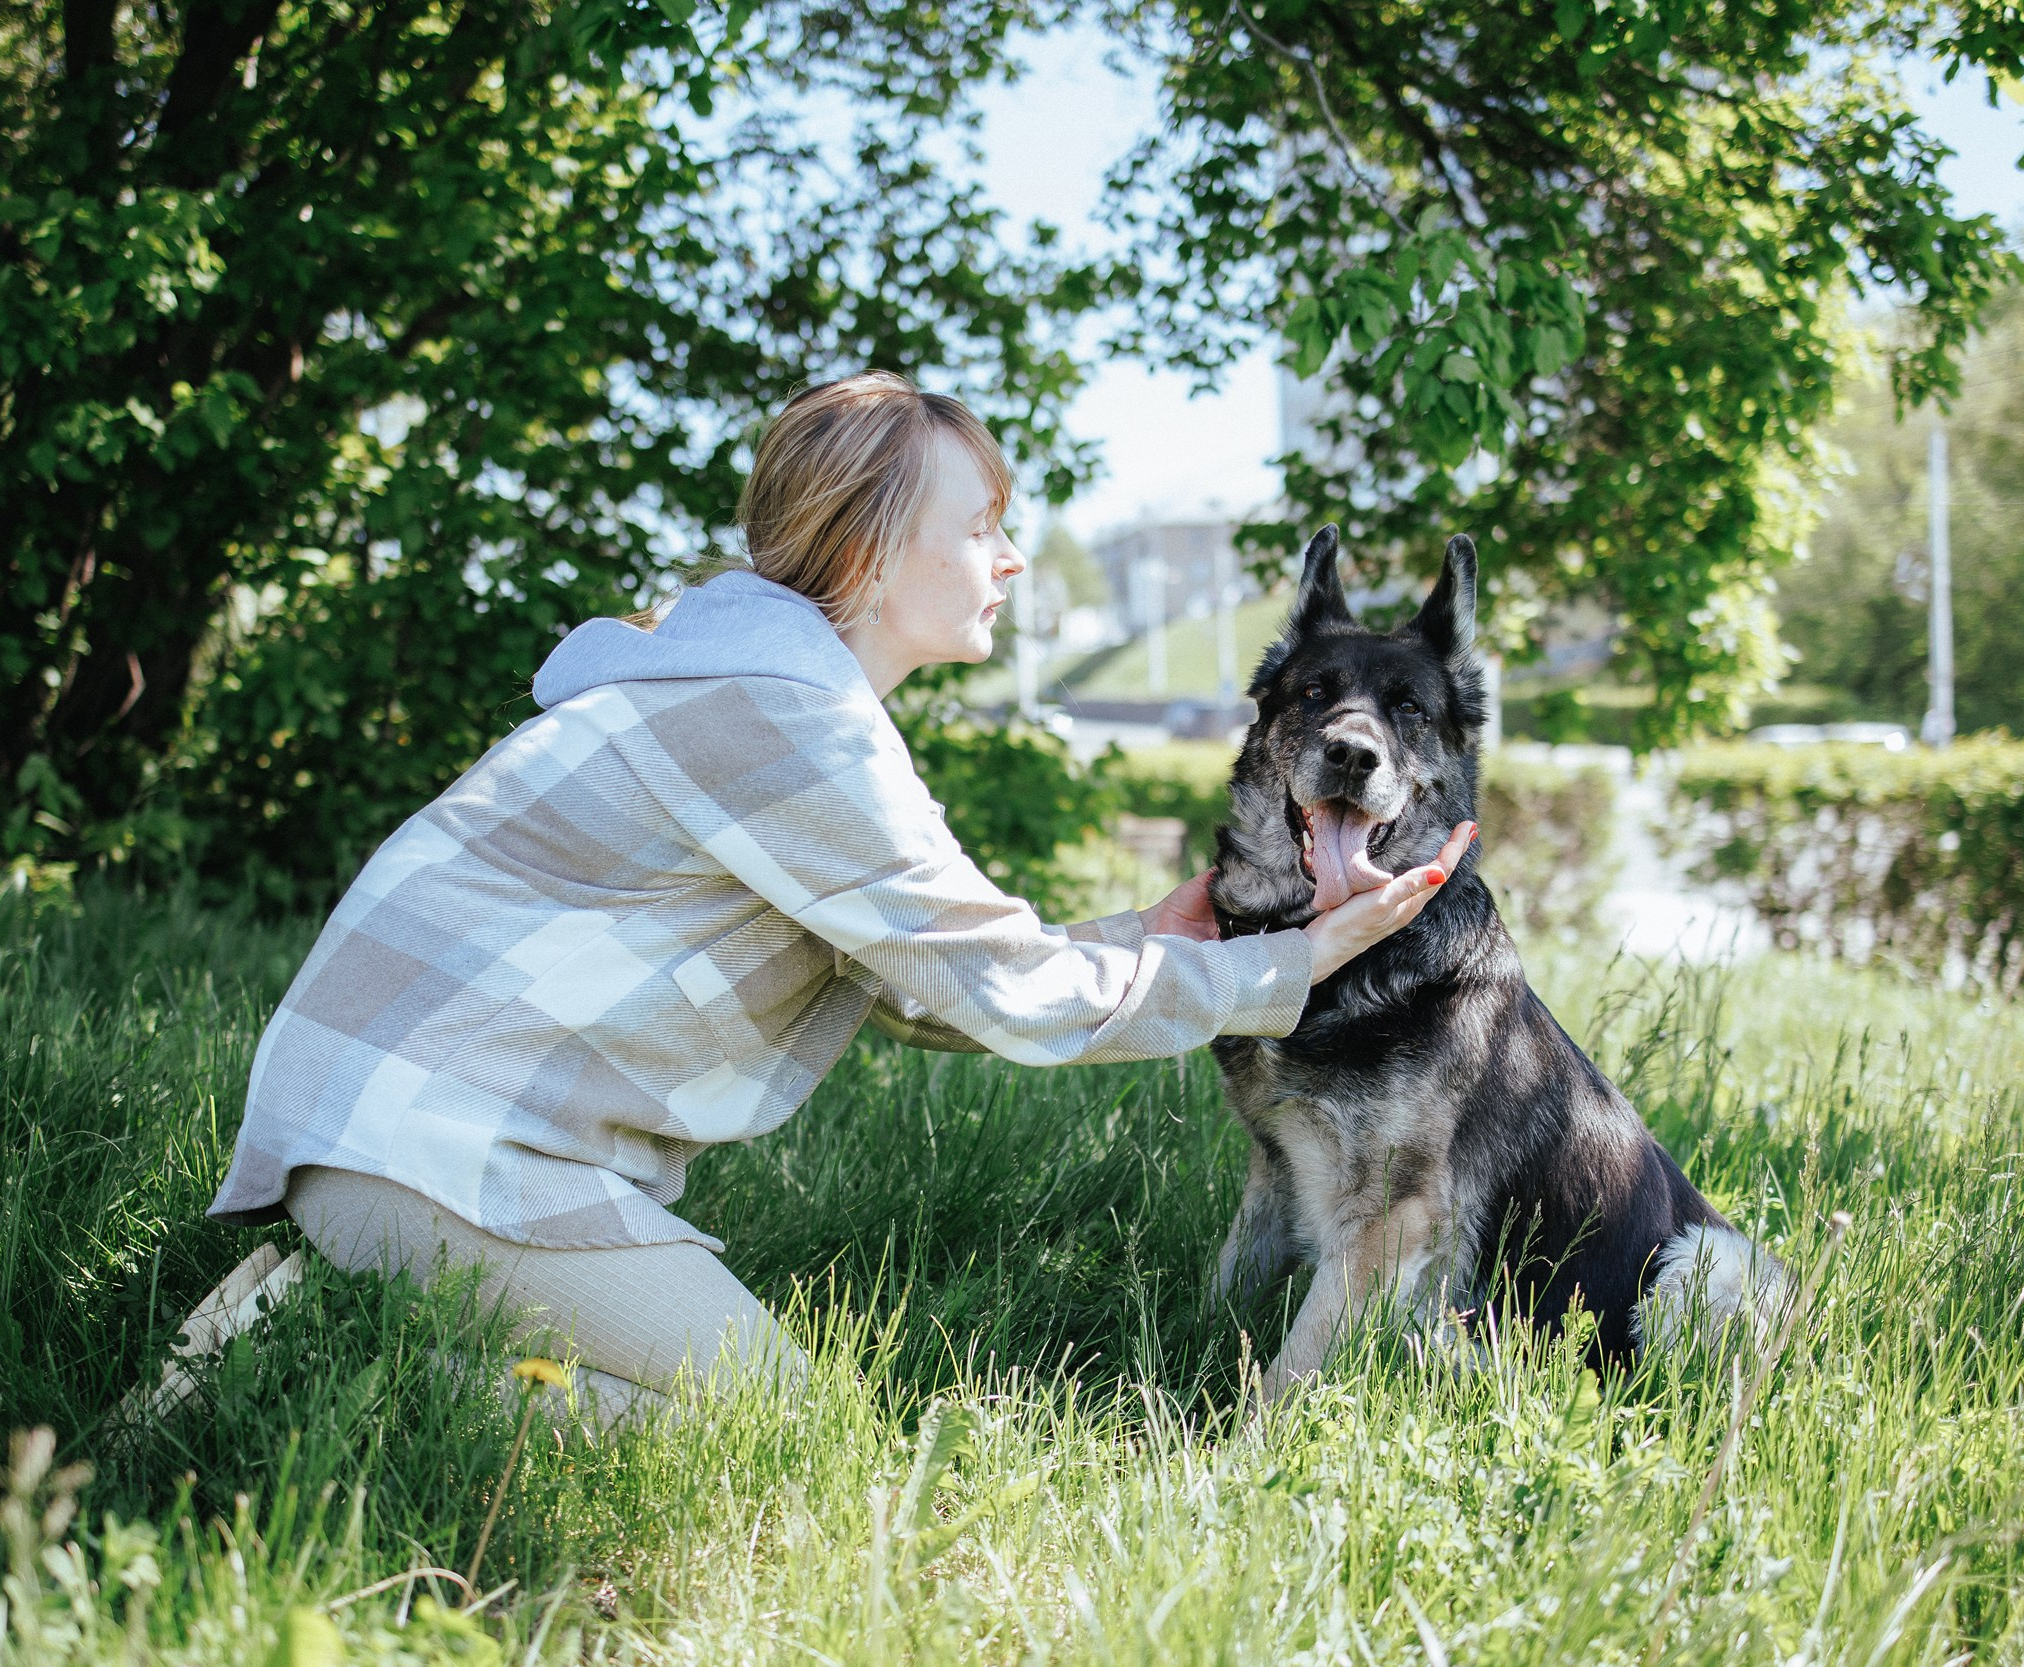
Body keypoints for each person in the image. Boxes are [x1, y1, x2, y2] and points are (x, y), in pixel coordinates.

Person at [208, 371, 1474, 1415]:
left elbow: (923, 981)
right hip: (438, 1150)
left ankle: (317, 1308)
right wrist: (1281, 968)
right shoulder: (787, 725)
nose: (1015, 559)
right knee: (777, 1434)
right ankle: (295, 1363)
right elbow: (1007, 998)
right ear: (872, 553)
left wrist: (1139, 938)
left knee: (741, 1421)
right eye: (981, 527)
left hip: (391, 1127)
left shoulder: (743, 687)